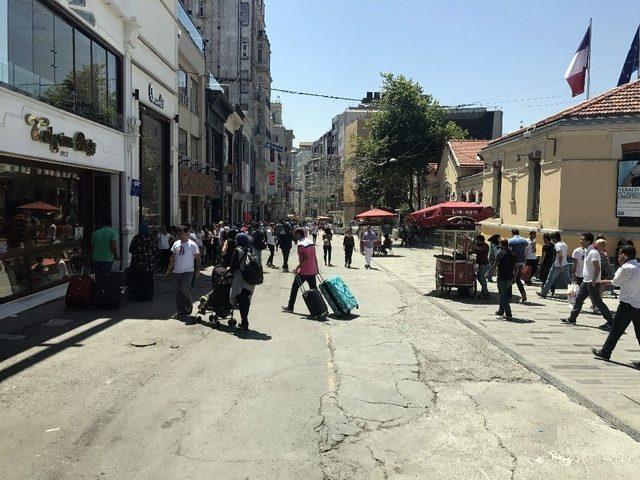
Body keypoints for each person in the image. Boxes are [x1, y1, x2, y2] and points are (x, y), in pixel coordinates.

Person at [592, 245, 640, 360]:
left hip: (626, 305)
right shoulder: (638, 266)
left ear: (625, 256)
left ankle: (605, 352)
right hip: (638, 304)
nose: (618, 257)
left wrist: (604, 281)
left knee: (616, 330)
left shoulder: (625, 268)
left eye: (619, 255)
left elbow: (616, 282)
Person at [562, 238, 614, 329]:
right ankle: (572, 319)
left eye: (583, 240)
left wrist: (594, 281)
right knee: (578, 299)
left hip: (591, 282)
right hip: (586, 281)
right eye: (581, 239)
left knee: (598, 302)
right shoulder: (587, 251)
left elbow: (597, 268)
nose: (581, 241)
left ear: (588, 241)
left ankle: (611, 321)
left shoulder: (593, 253)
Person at [166, 226, 201, 320]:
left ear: (186, 233)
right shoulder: (176, 244)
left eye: (181, 233)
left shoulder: (192, 244)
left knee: (184, 289)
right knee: (178, 292)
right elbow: (173, 257)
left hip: (188, 271)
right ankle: (181, 311)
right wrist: (169, 269)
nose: (180, 235)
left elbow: (198, 258)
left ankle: (189, 306)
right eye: (179, 234)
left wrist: (197, 271)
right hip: (177, 271)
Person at [282, 228, 319, 313]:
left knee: (294, 288)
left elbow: (305, 259)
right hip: (312, 270)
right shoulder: (310, 242)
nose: (294, 236)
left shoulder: (301, 245)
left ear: (299, 234)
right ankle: (318, 307)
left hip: (304, 271)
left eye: (295, 234)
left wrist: (297, 268)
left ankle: (290, 307)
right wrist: (316, 268)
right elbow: (314, 257)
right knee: (314, 290)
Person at [228, 233, 256, 331]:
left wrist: (228, 269)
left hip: (241, 280)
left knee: (241, 302)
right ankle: (244, 323)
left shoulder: (237, 250)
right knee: (246, 302)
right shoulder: (250, 249)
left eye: (236, 239)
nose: (235, 241)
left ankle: (245, 323)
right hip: (251, 280)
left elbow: (233, 268)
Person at [486, 239, 517, 319]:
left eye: (500, 244)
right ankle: (500, 310)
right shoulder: (513, 254)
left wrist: (488, 272)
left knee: (503, 295)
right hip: (509, 277)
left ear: (502, 245)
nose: (499, 246)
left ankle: (508, 312)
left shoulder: (500, 253)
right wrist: (514, 277)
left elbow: (495, 264)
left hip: (502, 277)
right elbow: (517, 268)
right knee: (502, 294)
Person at [129, 223, 158, 301]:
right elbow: (156, 251)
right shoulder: (152, 238)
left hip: (138, 264)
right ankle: (148, 296)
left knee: (138, 281)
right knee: (148, 281)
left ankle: (138, 296)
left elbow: (131, 249)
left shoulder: (136, 238)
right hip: (149, 264)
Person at [537, 232, 569, 298]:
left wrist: (560, 264)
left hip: (557, 265)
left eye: (552, 238)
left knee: (550, 279)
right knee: (568, 281)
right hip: (565, 264)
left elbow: (560, 255)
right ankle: (573, 293)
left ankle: (543, 293)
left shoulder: (557, 245)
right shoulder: (564, 244)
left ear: (555, 238)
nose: (552, 240)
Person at [508, 229, 528, 303]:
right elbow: (526, 252)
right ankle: (523, 294)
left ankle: (509, 296)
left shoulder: (510, 241)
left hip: (513, 263)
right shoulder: (524, 241)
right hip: (521, 262)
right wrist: (524, 261)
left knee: (509, 278)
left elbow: (509, 252)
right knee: (518, 279)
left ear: (512, 233)